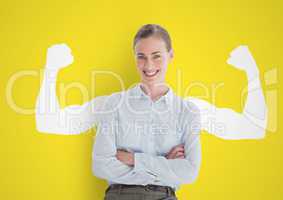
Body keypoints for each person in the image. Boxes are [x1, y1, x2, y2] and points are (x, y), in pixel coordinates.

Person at [35, 24, 268, 200]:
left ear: (171, 55)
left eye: (156, 56)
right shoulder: (113, 104)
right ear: (134, 58)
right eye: (141, 57)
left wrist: (133, 159)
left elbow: (189, 172)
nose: (148, 65)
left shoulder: (188, 110)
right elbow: (101, 165)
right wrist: (50, 70)